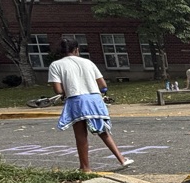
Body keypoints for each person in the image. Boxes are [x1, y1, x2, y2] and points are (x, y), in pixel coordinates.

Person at [47, 37, 133, 173]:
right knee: (103, 131)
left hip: (76, 100)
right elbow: (103, 85)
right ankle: (121, 159)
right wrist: (103, 93)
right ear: (76, 50)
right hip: (94, 99)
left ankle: (85, 167)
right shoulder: (88, 62)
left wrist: (65, 92)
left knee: (81, 135)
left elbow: (58, 90)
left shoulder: (56, 65)